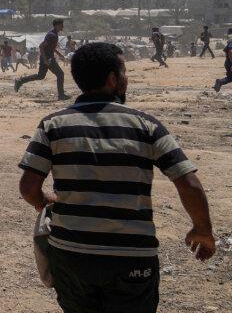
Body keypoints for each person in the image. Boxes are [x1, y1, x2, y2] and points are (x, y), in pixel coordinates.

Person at [18, 42, 214, 313]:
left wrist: (43, 200)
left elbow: (28, 187)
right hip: (131, 258)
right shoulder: (146, 125)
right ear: (112, 79)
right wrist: (202, 230)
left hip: (72, 256)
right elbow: (188, 183)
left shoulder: (53, 125)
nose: (126, 78)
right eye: (123, 71)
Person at [15, 19, 69, 100]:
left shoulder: (54, 34)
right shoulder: (52, 35)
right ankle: (61, 95)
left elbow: (51, 47)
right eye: (61, 25)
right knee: (60, 74)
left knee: (41, 76)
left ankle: (20, 81)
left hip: (48, 58)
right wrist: (45, 60)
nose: (63, 26)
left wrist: (60, 55)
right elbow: (41, 46)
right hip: (47, 58)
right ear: (57, 25)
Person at [213, 28, 232, 92]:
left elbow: (226, 50)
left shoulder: (229, 41)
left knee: (230, 78)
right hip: (230, 63)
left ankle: (219, 82)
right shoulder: (231, 42)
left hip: (228, 62)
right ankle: (220, 82)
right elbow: (230, 52)